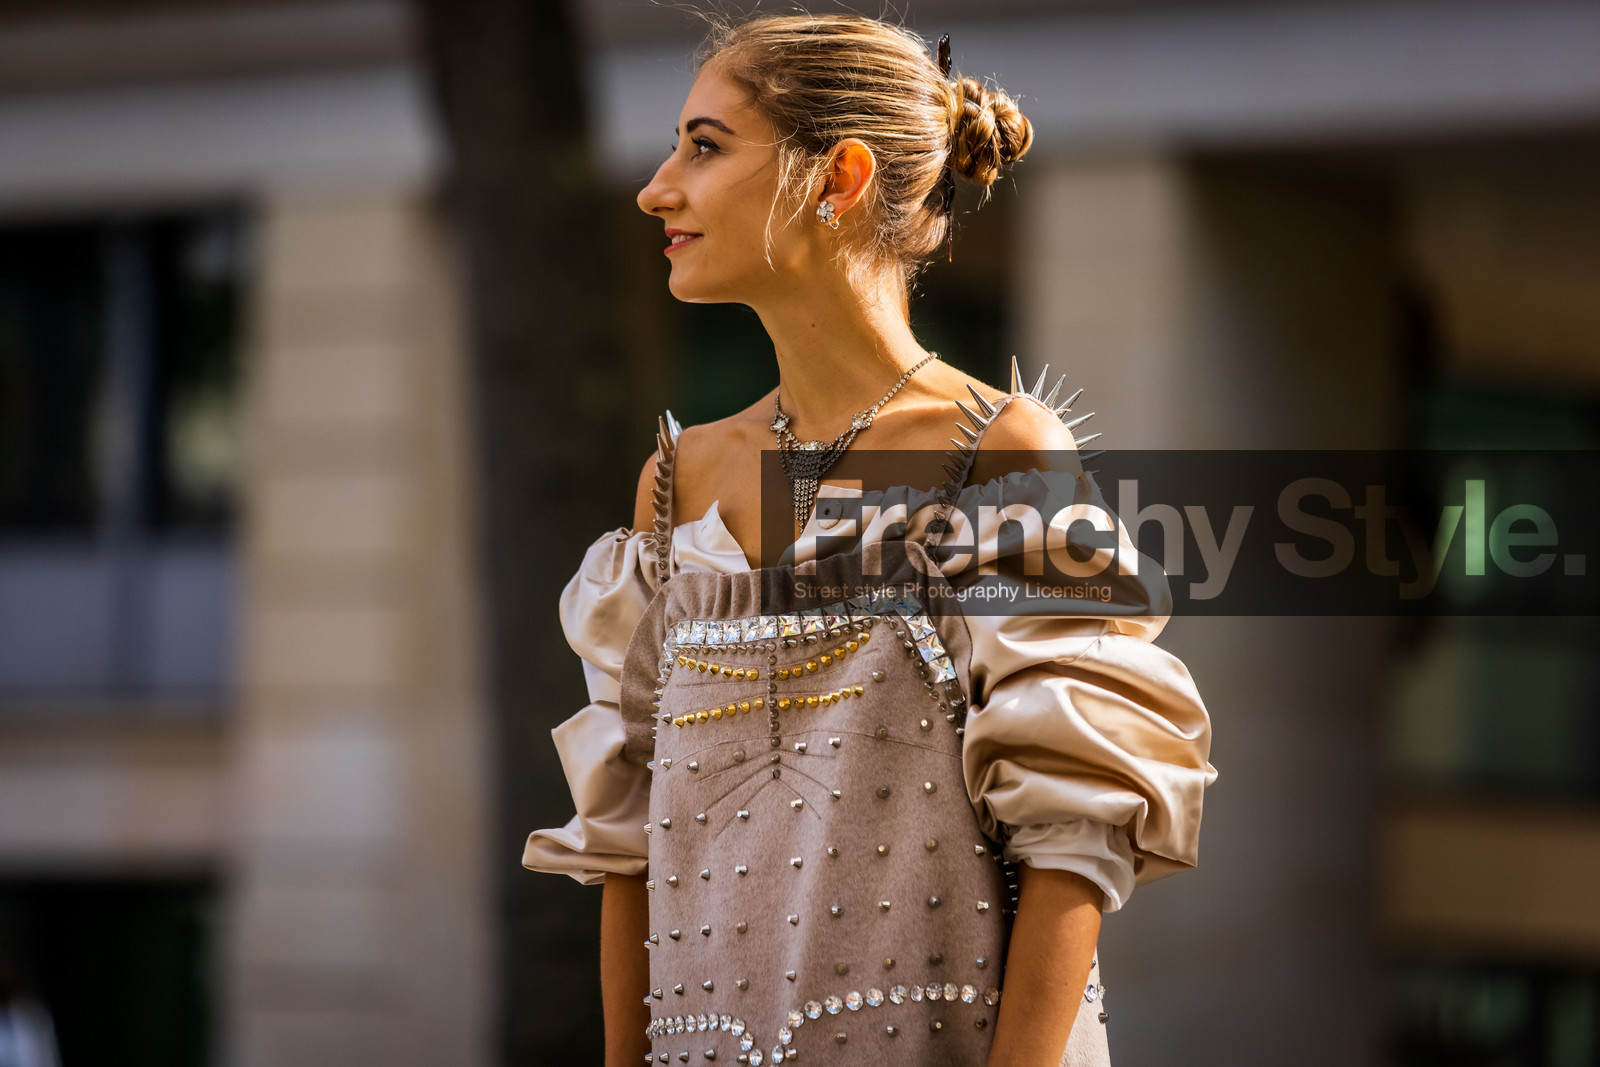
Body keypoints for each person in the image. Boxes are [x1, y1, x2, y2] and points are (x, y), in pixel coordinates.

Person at [523, 12, 1216, 1066]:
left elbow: (1076, 832)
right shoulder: (677, 486)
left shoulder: (994, 450)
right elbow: (627, 839)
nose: (656, 187)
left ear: (837, 177)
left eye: (704, 147)